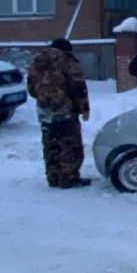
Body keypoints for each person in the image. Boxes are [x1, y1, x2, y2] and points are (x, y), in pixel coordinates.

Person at [27, 38, 91, 189]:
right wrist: (84, 108)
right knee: (70, 145)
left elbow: (31, 88)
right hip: (65, 110)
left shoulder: (36, 62)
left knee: (51, 144)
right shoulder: (67, 61)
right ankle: (69, 179)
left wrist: (45, 99)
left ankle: (53, 177)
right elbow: (78, 87)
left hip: (44, 111)